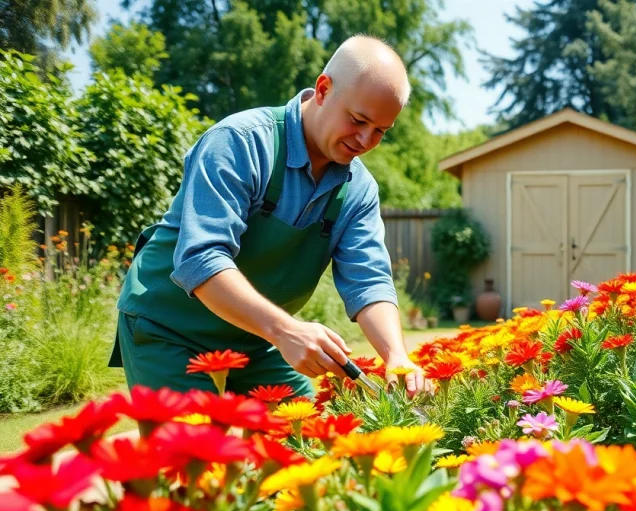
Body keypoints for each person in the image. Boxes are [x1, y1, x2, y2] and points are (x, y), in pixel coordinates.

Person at [109, 35, 431, 398]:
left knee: (308, 428)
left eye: (381, 131)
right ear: (323, 89)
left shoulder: (359, 190)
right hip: (170, 329)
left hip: (255, 339)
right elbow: (201, 258)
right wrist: (284, 330)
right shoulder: (239, 141)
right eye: (358, 120)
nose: (365, 140)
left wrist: (397, 356)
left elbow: (368, 281)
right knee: (198, 435)